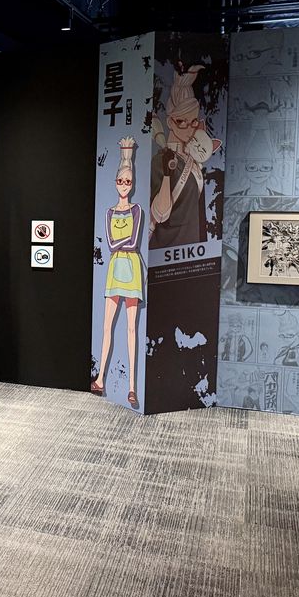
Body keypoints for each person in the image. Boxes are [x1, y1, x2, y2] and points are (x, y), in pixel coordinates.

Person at [91, 137, 144, 408]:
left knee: (131, 329)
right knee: (107, 326)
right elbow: (111, 245)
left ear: (132, 185)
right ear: (115, 183)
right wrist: (122, 243)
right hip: (115, 269)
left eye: (128, 181)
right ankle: (100, 378)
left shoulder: (137, 210)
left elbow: (132, 242)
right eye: (121, 181)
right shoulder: (109, 212)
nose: (124, 185)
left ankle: (132, 387)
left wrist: (121, 243)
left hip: (131, 268)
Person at [150, 64, 218, 248]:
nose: (189, 127)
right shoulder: (159, 161)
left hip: (192, 246)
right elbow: (160, 214)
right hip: (167, 247)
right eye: (182, 121)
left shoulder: (193, 160)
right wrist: (166, 174)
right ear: (170, 122)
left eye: (193, 121)